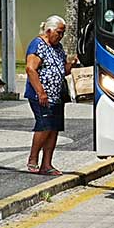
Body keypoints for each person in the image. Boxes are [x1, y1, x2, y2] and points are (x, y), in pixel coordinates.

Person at [24, 16, 76, 176]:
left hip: (57, 95)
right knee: (44, 125)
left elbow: (62, 70)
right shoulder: (37, 45)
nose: (60, 36)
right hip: (42, 94)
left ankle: (47, 163)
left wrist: (71, 64)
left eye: (62, 34)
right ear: (49, 31)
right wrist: (41, 92)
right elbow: (30, 69)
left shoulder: (58, 47)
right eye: (59, 33)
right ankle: (33, 158)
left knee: (54, 129)